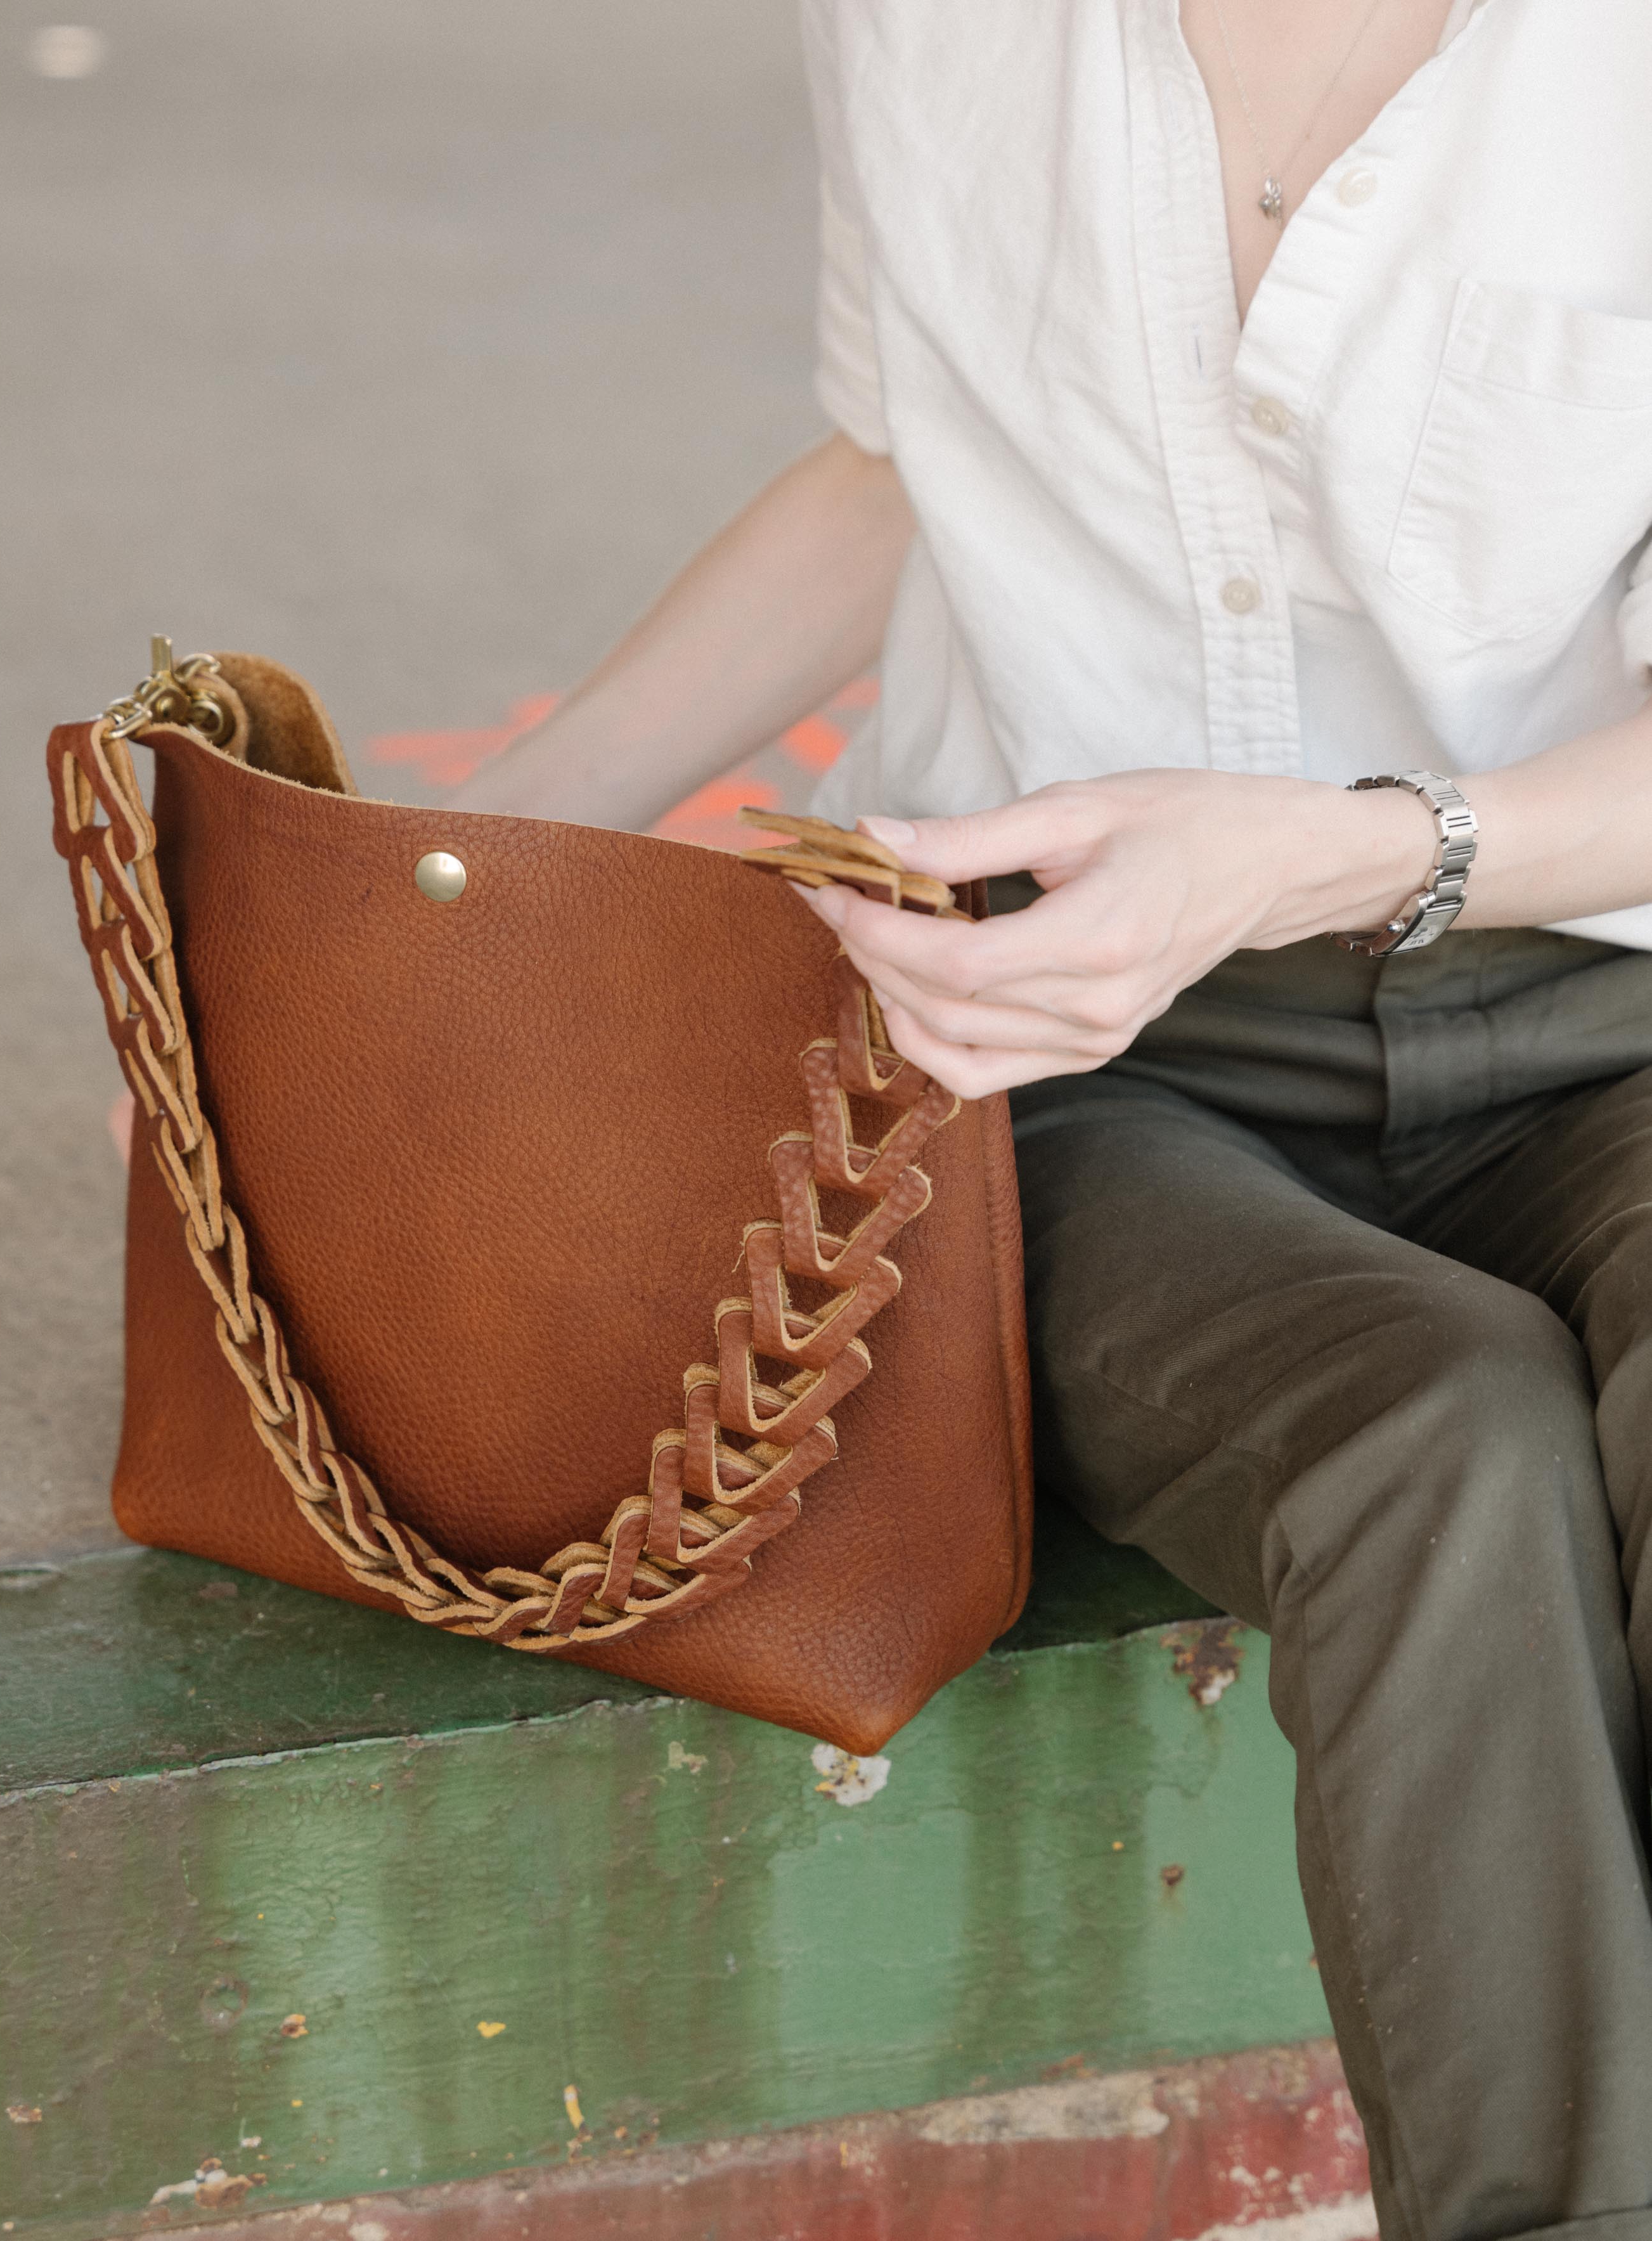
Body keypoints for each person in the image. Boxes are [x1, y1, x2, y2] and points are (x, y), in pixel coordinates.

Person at [453, 3, 1652, 2231]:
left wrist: (1320, 849)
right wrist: (465, 884)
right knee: (1433, 1429)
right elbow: (905, 455)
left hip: (1604, 978)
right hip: (1040, 1032)